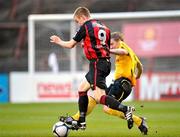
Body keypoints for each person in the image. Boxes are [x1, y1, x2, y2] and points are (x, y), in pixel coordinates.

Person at [50, 7, 134, 130]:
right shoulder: (104, 26)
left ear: (83, 17)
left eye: (78, 21)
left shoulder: (85, 26)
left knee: (100, 96)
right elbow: (101, 45)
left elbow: (71, 44)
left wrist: (58, 41)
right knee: (82, 89)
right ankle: (81, 121)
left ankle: (126, 109)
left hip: (97, 64)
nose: (78, 24)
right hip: (104, 63)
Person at [60, 32, 148, 135]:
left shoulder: (123, 46)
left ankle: (138, 120)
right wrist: (136, 77)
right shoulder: (132, 53)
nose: (110, 46)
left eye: (112, 43)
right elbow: (140, 66)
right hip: (119, 83)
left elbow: (123, 52)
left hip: (122, 84)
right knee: (94, 97)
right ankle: (76, 118)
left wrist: (108, 50)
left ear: (119, 41)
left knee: (107, 108)